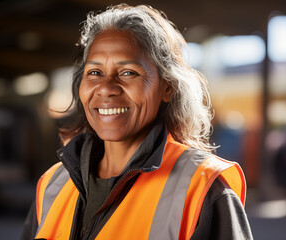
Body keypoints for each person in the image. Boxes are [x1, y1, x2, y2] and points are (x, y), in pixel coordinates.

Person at [21, 4, 253, 240]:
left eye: (128, 72)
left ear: (167, 87)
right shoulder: (52, 184)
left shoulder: (202, 188)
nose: (106, 88)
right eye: (95, 72)